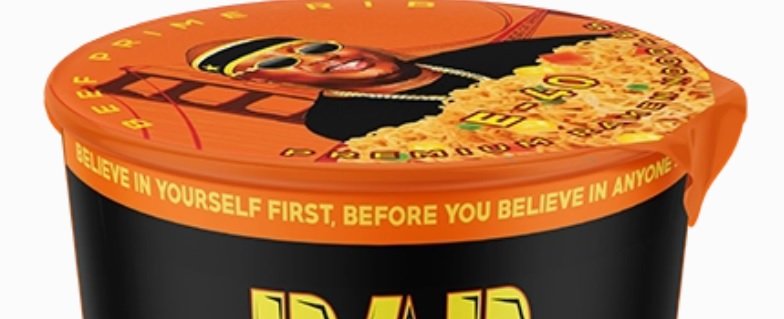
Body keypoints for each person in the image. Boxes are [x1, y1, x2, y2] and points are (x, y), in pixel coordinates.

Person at [186, 32, 601, 141]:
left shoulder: (476, 57)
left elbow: (611, 47)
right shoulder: (345, 125)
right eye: (282, 63)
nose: (317, 59)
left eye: (315, 47)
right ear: (264, 81)